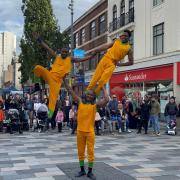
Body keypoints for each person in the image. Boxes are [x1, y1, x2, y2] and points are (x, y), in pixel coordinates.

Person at [32, 32, 95, 118]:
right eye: (63, 52)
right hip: (50, 76)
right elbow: (47, 48)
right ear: (61, 52)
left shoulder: (70, 59)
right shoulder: (57, 56)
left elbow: (81, 59)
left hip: (57, 82)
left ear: (68, 53)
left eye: (66, 52)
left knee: (53, 99)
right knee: (37, 67)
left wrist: (90, 57)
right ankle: (36, 84)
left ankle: (49, 116)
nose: (64, 53)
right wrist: (39, 40)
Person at [63, 77, 109, 180]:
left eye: (91, 95)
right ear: (85, 94)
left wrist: (103, 87)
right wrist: (64, 80)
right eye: (88, 94)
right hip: (80, 132)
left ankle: (90, 172)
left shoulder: (95, 106)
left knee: (91, 152)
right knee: (80, 151)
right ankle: (82, 170)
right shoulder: (80, 102)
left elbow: (106, 99)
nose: (89, 95)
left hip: (90, 132)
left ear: (93, 97)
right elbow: (70, 90)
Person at [87, 30, 134, 95]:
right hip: (105, 59)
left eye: (125, 36)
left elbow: (131, 62)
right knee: (96, 76)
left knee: (102, 80)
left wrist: (119, 64)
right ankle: (88, 91)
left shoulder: (129, 48)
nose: (123, 36)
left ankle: (94, 94)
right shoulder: (117, 41)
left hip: (112, 63)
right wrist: (95, 50)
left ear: (128, 37)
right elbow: (106, 46)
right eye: (122, 35)